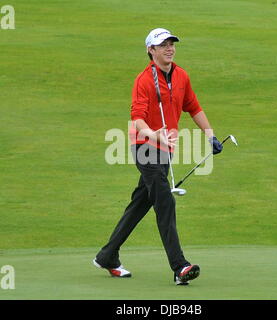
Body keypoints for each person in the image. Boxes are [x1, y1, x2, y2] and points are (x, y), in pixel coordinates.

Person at [93, 28, 223, 285]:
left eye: (172, 44)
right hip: (145, 147)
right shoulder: (143, 80)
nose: (170, 48)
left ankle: (107, 255)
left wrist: (210, 136)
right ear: (151, 50)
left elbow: (193, 107)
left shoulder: (182, 76)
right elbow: (137, 119)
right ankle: (179, 266)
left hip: (165, 150)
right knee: (165, 201)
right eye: (163, 45)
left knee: (140, 203)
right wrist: (155, 135)